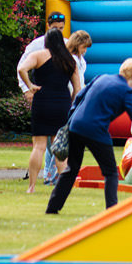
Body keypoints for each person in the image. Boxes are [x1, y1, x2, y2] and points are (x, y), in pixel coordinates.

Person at [45, 59, 132, 214]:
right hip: (96, 130)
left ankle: (52, 208)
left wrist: (70, 120)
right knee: (111, 172)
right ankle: (112, 210)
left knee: (71, 169)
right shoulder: (127, 91)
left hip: (76, 126)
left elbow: (79, 98)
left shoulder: (100, 77)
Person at [16, 25, 85, 194]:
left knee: (38, 147)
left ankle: (31, 186)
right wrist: (70, 103)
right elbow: (77, 88)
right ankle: (63, 186)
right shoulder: (70, 60)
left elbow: (21, 68)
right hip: (61, 104)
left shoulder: (38, 55)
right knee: (59, 146)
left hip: (42, 101)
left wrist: (30, 85)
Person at [41, 30, 92, 186]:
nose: (85, 50)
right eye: (84, 47)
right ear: (78, 44)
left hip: (75, 97)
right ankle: (52, 174)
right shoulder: (70, 60)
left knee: (59, 138)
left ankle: (52, 173)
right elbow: (73, 82)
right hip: (68, 98)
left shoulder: (80, 60)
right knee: (61, 139)